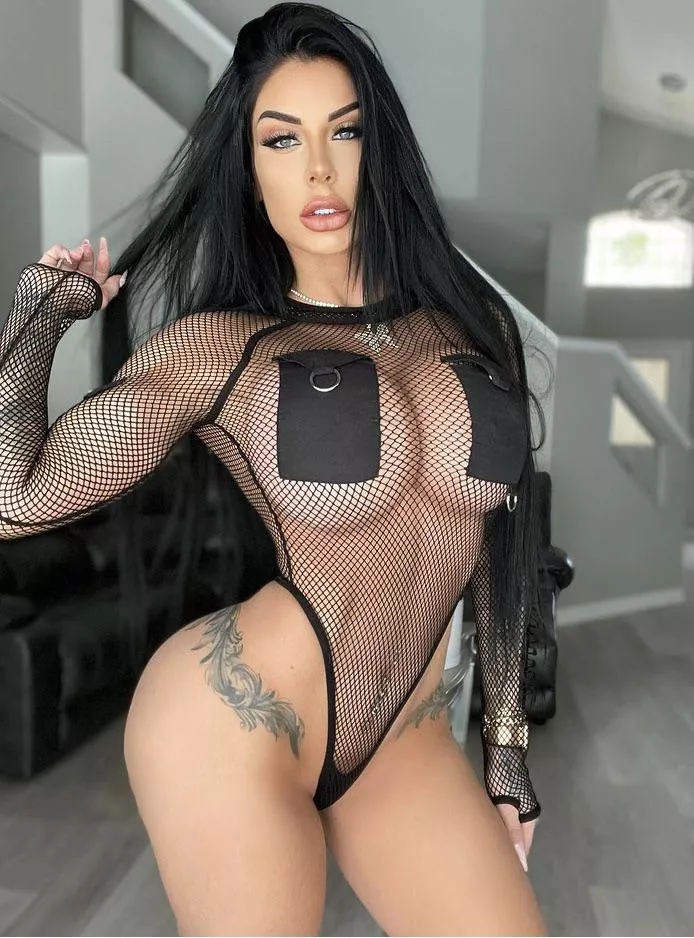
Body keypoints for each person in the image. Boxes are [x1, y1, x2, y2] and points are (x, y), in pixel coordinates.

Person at [0, 3, 549, 934]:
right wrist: (38, 319)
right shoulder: (221, 350)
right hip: (232, 723)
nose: (320, 169)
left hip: (403, 739)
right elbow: (13, 499)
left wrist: (505, 750)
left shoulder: (472, 326)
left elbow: (500, 540)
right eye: (283, 140)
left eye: (346, 132)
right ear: (251, 174)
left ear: (382, 150)